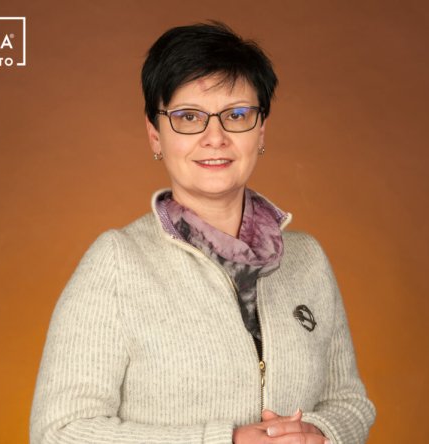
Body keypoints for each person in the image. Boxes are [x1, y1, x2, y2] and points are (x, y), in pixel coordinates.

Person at [30, 22, 376, 444]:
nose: (215, 138)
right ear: (155, 136)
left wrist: (322, 433)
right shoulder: (117, 261)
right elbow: (59, 432)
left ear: (260, 131)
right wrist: (224, 440)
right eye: (189, 117)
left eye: (237, 115)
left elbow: (348, 402)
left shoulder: (307, 260)